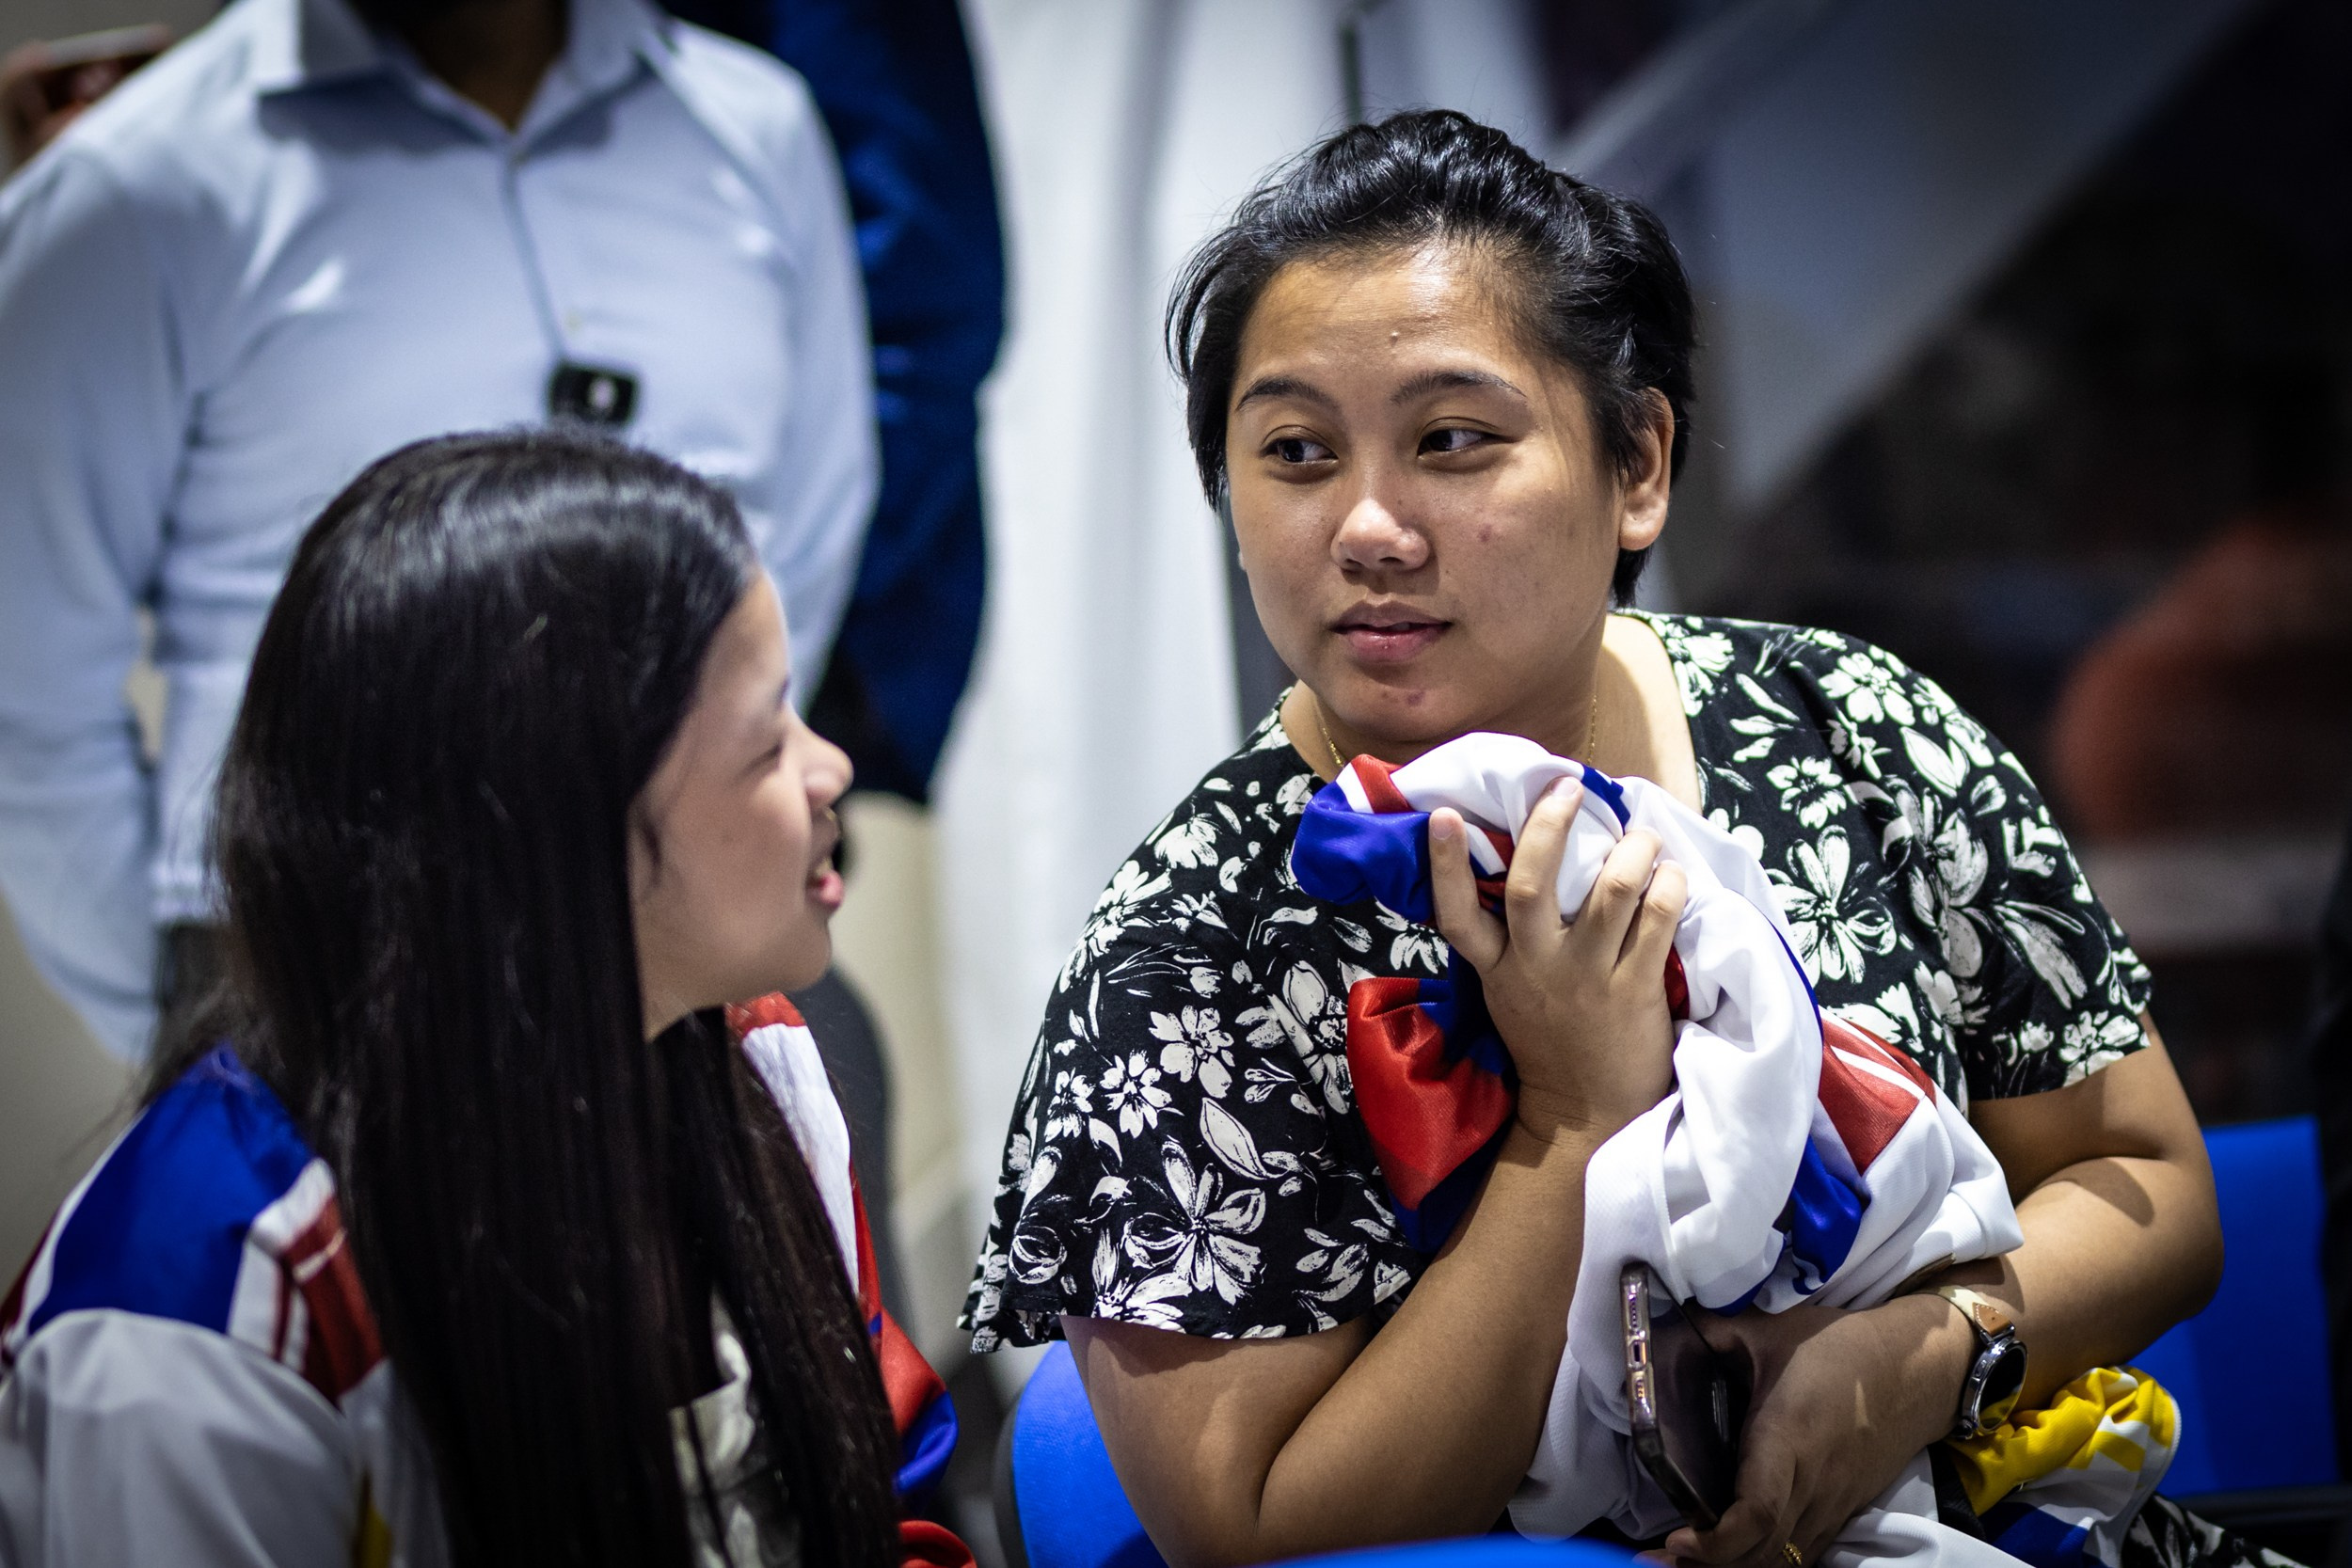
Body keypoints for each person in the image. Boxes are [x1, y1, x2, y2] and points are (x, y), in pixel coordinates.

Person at [963, 111, 2263, 1568]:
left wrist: (1925, 1349)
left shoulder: (1847, 724)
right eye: (1296, 451)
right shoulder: (1193, 937)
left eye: (1453, 440)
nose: (1369, 524)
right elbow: (1256, 1523)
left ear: (1636, 460)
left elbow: (2148, 1180)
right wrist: (1571, 1121)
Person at [0, 432, 967, 1567]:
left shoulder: (753, 1052)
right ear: (550, 838)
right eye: (764, 742)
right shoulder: (206, 1300)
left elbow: (883, 1496)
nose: (830, 767)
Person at [0, 0, 875, 1065]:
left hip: (710, 952)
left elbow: (811, 522)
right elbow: (25, 686)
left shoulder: (757, 127)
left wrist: (733, 812)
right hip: (326, 975)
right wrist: (201, 1025)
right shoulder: (130, 192)